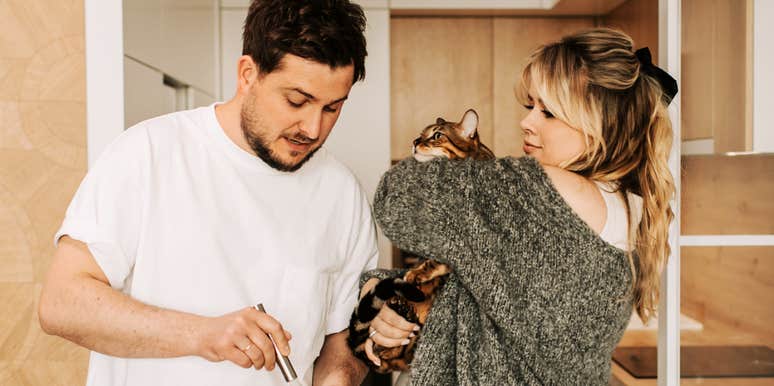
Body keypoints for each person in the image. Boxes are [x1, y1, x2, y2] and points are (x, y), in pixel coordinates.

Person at [38, 1, 376, 385]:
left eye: (332, 108)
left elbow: (342, 341)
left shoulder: (343, 194)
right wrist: (204, 335)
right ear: (247, 74)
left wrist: (340, 377)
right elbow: (62, 303)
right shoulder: (147, 153)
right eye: (296, 101)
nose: (313, 128)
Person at [360, 28, 677, 385]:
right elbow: (481, 296)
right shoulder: (622, 203)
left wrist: (375, 290)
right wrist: (387, 296)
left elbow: (397, 197)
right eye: (530, 106)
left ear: (602, 123)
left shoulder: (558, 190)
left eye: (549, 112)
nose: (526, 122)